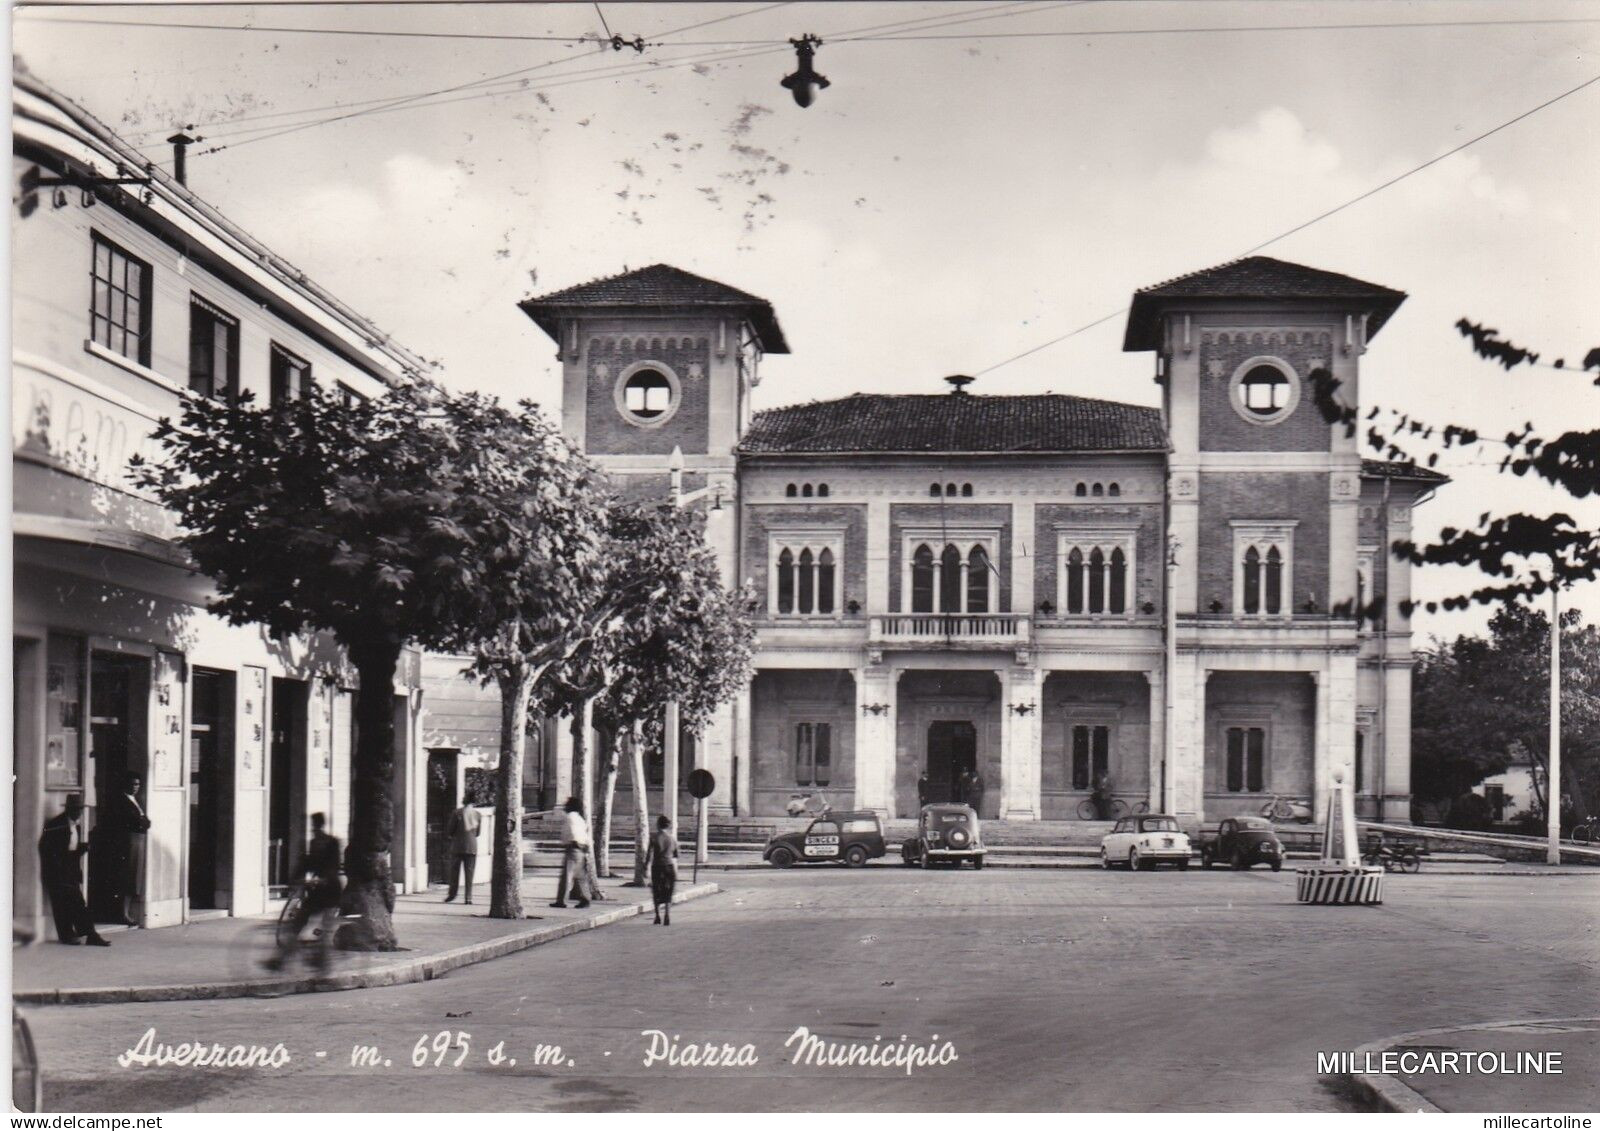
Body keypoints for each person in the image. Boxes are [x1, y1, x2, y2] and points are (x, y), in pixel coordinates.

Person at [267, 812, 342, 971]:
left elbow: (333, 866)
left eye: (316, 825)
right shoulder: (313, 843)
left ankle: (323, 963)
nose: (315, 828)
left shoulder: (333, 842)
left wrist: (323, 879)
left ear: (321, 825)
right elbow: (305, 864)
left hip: (331, 891)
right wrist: (294, 880)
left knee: (325, 929)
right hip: (316, 892)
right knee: (297, 924)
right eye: (313, 825)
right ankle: (280, 961)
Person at [37, 794, 108, 946]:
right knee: (63, 905)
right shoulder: (56, 825)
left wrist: (82, 849)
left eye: (80, 809)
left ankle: (88, 934)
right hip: (57, 872)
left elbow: (71, 850)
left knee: (76, 903)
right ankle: (70, 935)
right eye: (76, 809)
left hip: (70, 871)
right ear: (69, 809)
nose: (79, 812)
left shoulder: (76, 826)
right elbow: (47, 849)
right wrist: (57, 870)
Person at [100, 772, 151, 926]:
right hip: (128, 843)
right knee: (127, 876)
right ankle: (123, 913)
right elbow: (136, 822)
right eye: (132, 784)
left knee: (135, 877)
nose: (135, 787)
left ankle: (127, 912)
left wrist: (142, 822)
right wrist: (142, 822)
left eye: (137, 784)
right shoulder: (121, 801)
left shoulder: (136, 800)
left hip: (137, 842)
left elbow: (146, 823)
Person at [550, 797, 594, 909]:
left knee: (566, 876)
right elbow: (586, 835)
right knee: (580, 876)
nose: (565, 806)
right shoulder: (580, 818)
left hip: (573, 847)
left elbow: (571, 832)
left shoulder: (570, 817)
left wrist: (568, 842)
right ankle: (585, 898)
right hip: (581, 849)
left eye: (566, 804)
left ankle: (561, 900)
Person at [642, 815, 678, 926]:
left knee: (656, 890)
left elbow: (649, 854)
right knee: (668, 891)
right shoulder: (672, 839)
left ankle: (657, 916)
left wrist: (645, 867)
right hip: (669, 866)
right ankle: (667, 915)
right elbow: (676, 855)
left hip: (657, 867)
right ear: (667, 826)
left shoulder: (653, 837)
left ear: (658, 825)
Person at [443, 801, 482, 904]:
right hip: (472, 847)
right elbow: (478, 833)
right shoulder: (477, 814)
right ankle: (468, 897)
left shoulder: (456, 813)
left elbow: (450, 830)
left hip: (457, 846)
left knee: (454, 872)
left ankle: (452, 894)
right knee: (469, 873)